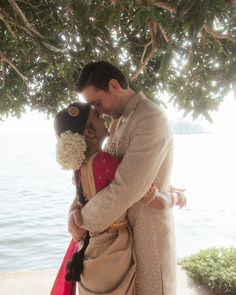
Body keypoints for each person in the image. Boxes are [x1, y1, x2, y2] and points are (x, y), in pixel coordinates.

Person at [68, 61, 180, 295]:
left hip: (148, 237)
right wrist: (73, 211)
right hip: (121, 242)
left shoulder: (150, 118)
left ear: (114, 85)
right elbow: (99, 181)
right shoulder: (119, 119)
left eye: (97, 102)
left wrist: (82, 221)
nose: (97, 111)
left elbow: (126, 188)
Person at [51, 102, 136, 295]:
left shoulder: (80, 168)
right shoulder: (103, 161)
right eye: (97, 117)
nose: (103, 117)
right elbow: (136, 180)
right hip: (112, 244)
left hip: (91, 245)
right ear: (89, 132)